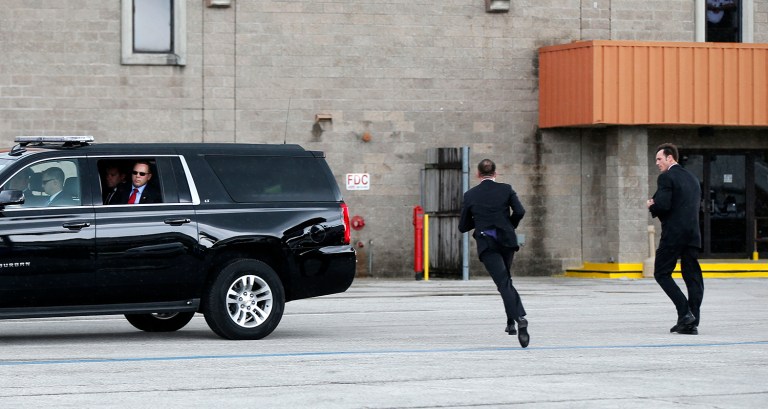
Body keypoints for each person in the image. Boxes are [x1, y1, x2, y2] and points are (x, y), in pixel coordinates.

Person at [458, 159, 529, 348]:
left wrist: (480, 219)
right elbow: (520, 211)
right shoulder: (506, 189)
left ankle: (520, 317)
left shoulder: (470, 195)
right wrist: (508, 225)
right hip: (506, 241)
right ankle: (510, 323)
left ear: (478, 175)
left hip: (488, 243)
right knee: (506, 280)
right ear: (495, 174)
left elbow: (463, 226)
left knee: (503, 282)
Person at [646, 143, 703, 335]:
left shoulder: (667, 177)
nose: (657, 163)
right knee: (692, 278)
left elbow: (663, 205)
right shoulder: (693, 179)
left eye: (659, 159)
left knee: (661, 273)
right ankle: (691, 322)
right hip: (693, 234)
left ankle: (685, 313)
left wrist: (651, 205)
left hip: (674, 234)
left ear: (670, 158)